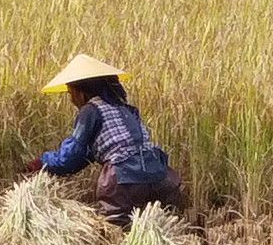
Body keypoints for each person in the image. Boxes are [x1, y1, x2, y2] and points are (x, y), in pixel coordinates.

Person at [36, 54, 181, 220]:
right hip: (160, 175)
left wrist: (43, 162)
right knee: (161, 223)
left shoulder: (90, 110)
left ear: (81, 93)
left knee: (117, 230)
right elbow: (91, 154)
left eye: (71, 93)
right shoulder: (126, 109)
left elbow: (70, 158)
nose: (71, 100)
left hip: (123, 178)